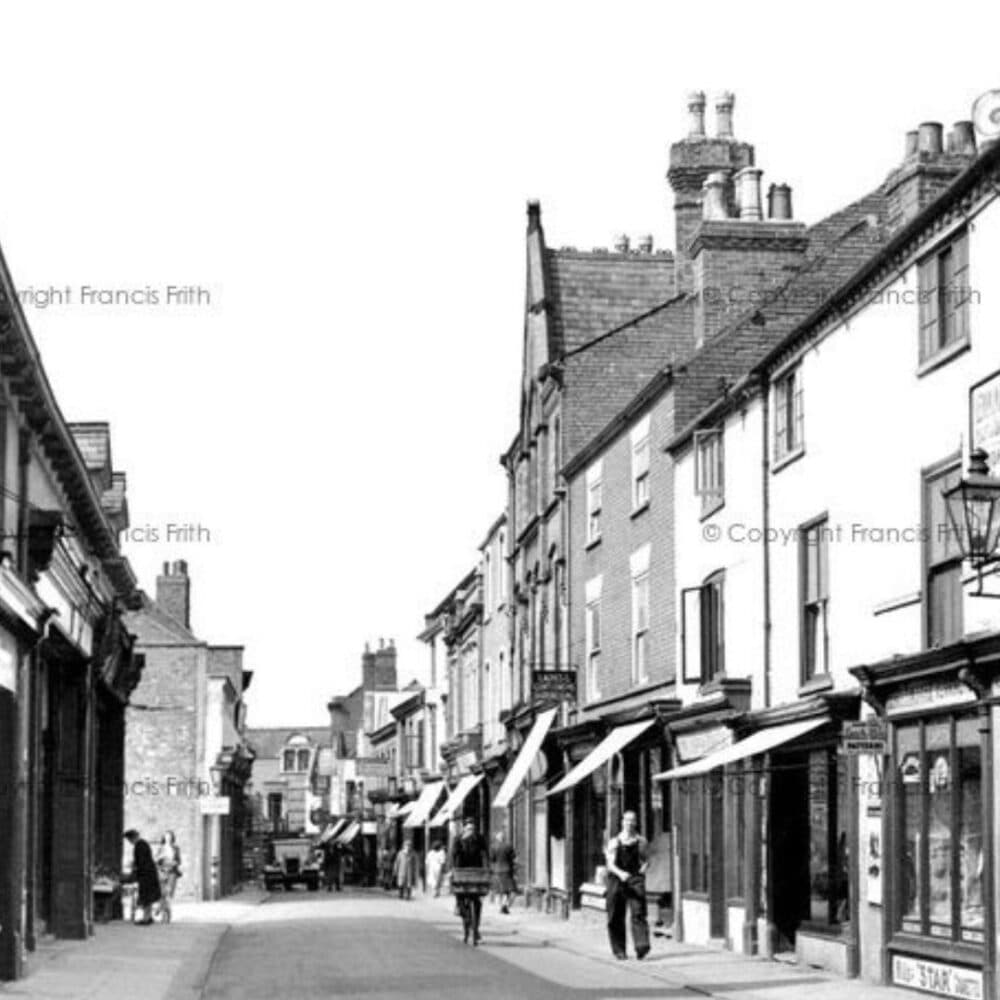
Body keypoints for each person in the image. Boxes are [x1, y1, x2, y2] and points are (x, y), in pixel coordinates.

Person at [604, 811, 650, 960]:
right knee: (616, 915)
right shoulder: (614, 842)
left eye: (632, 820)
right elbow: (610, 864)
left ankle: (641, 947)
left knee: (638, 911)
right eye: (627, 820)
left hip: (634, 878)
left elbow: (646, 859)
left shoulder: (641, 841)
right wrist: (620, 873)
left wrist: (644, 868)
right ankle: (619, 950)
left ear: (636, 823)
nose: (629, 823)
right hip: (617, 879)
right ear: (622, 822)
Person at [450, 818, 488, 945]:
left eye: (473, 828)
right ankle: (466, 921)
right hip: (462, 872)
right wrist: (453, 870)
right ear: (464, 828)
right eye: (469, 828)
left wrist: (486, 869)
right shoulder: (458, 839)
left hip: (476, 873)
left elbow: (485, 854)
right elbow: (454, 854)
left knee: (477, 902)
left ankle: (475, 928)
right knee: (461, 899)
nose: (471, 830)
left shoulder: (479, 838)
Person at [124, 829, 162, 926]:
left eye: (129, 840)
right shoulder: (143, 843)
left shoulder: (139, 845)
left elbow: (141, 861)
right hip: (149, 872)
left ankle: (146, 918)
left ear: (132, 837)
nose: (130, 842)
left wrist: (134, 869)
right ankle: (148, 916)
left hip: (146, 874)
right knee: (148, 896)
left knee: (146, 896)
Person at [154, 831, 182, 924]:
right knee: (162, 893)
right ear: (164, 837)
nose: (168, 838)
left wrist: (174, 863)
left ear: (172, 838)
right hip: (162, 871)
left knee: (168, 893)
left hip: (172, 872)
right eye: (166, 836)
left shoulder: (176, 848)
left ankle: (165, 915)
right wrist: (160, 858)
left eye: (170, 836)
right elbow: (156, 860)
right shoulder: (160, 848)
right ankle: (160, 908)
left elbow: (179, 861)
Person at [489, 831, 516, 914]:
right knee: (510, 890)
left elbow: (492, 858)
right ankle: (505, 905)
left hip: (497, 870)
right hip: (507, 870)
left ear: (497, 838)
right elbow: (513, 857)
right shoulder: (509, 846)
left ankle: (501, 906)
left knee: (500, 890)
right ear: (504, 838)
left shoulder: (493, 846)